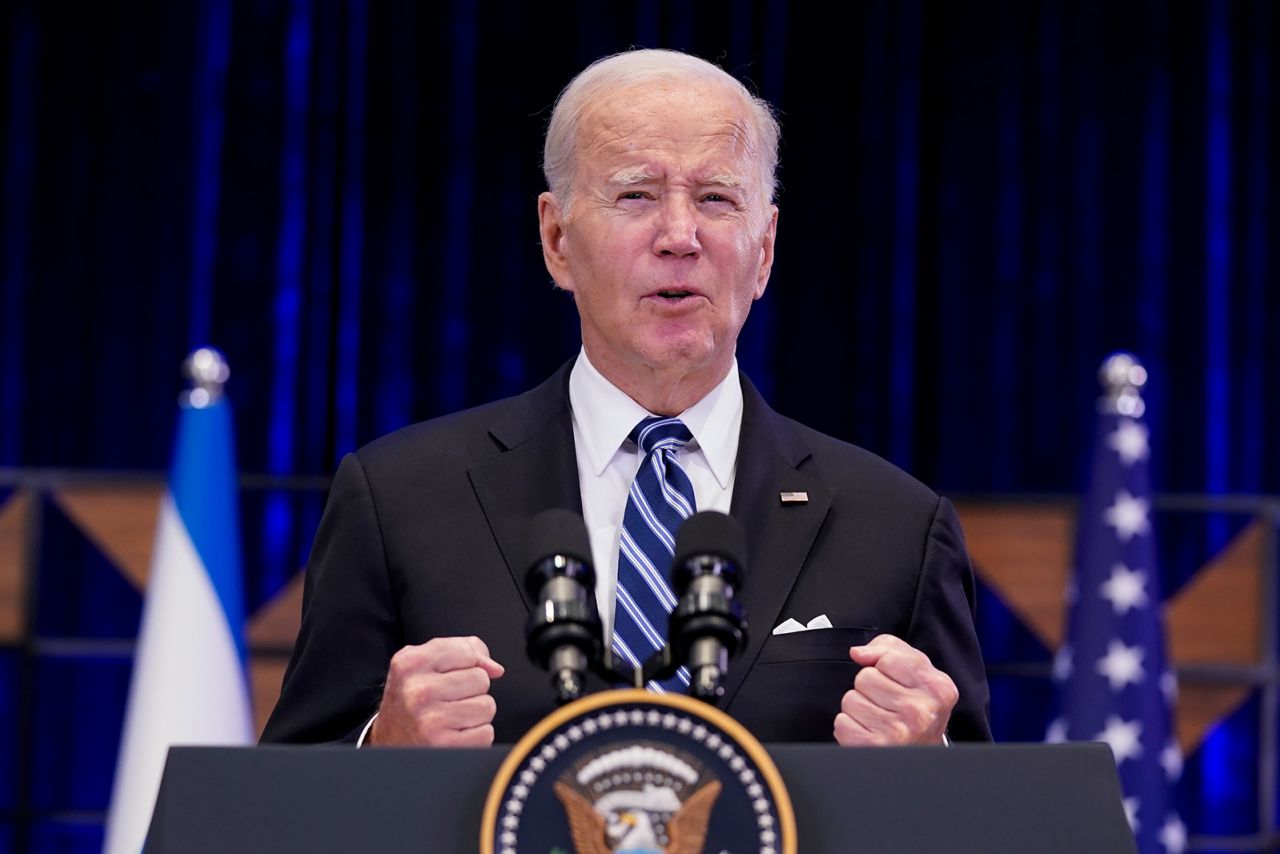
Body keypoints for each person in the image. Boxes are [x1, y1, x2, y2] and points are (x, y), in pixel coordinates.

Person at [261, 48, 991, 748]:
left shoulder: (897, 526)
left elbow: (992, 820)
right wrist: (380, 751)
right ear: (556, 239)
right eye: (636, 195)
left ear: (763, 250)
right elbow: (282, 809)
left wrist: (928, 772)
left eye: (716, 198)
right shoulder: (399, 499)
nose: (680, 235)